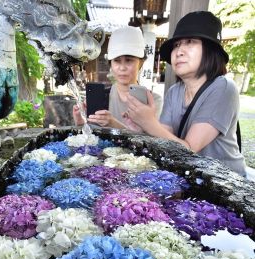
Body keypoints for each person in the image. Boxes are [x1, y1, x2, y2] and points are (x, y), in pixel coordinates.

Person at [126, 11, 247, 176]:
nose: (179, 51)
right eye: (176, 45)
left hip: (226, 184)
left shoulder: (224, 88)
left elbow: (189, 150)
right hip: (192, 176)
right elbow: (165, 140)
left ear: (211, 50)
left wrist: (150, 123)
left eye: (190, 42)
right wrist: (143, 127)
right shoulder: (174, 92)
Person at [73, 26, 162, 132]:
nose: (122, 68)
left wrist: (113, 124)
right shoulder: (101, 97)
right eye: (117, 61)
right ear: (111, 64)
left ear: (141, 63)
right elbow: (92, 139)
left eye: (129, 60)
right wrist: (80, 121)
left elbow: (152, 143)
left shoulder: (153, 101)